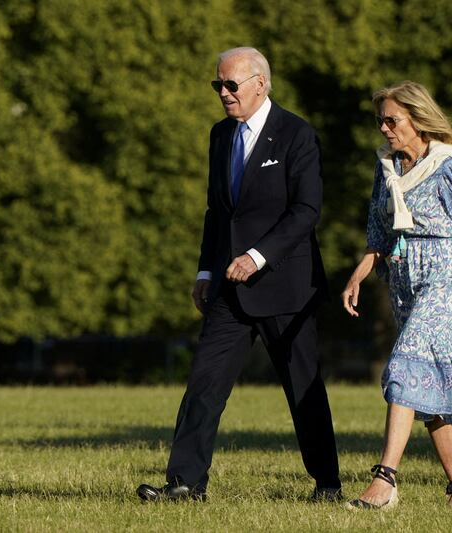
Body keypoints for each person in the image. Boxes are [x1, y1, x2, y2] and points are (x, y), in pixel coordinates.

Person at [137, 47, 341, 502]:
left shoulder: (297, 134)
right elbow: (217, 212)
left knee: (303, 388)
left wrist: (257, 256)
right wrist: (206, 269)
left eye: (232, 85)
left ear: (260, 84)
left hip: (287, 286)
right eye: (219, 86)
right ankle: (186, 483)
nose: (224, 94)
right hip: (229, 288)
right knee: (203, 384)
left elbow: (306, 211)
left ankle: (327, 482)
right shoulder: (219, 135)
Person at [341, 81, 452, 510]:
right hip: (403, 275)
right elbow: (378, 234)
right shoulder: (387, 168)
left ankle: (385, 480)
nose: (384, 128)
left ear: (417, 119)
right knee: (427, 378)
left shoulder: (446, 165)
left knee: (406, 363)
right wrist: (358, 275)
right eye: (380, 120)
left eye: (392, 119)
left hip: (445, 270)